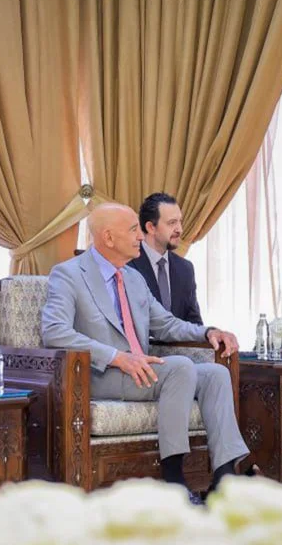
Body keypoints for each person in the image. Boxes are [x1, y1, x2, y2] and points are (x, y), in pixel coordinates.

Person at [42, 202, 252, 503]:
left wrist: (207, 332)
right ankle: (174, 481)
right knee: (180, 367)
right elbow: (54, 331)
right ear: (108, 237)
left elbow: (166, 324)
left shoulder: (133, 278)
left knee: (216, 374)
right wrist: (117, 357)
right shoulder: (68, 274)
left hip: (142, 371)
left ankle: (224, 480)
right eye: (133, 230)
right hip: (100, 374)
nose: (141, 236)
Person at [127, 192, 203, 324]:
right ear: (151, 227)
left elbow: (194, 322)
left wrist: (209, 333)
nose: (179, 230)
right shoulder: (126, 265)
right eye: (172, 223)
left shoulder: (185, 268)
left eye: (180, 222)